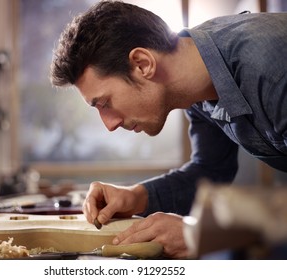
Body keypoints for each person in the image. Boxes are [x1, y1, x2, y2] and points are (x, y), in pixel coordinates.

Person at [50, 0, 287, 258]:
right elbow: (211, 170)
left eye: (105, 103)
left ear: (142, 63)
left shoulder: (274, 70)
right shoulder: (195, 85)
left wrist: (200, 231)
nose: (109, 125)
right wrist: (136, 197)